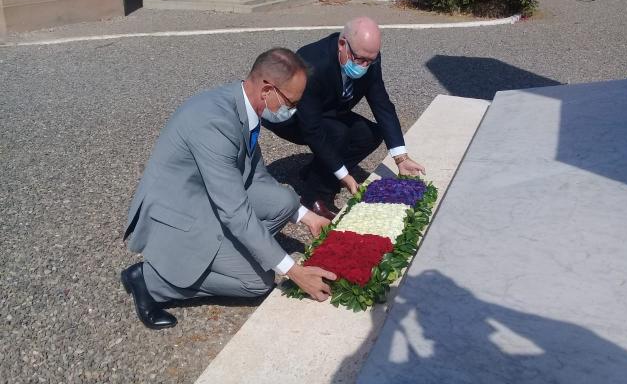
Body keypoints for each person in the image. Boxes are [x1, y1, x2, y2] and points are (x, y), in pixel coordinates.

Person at [121, 48, 336, 330]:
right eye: (290, 103)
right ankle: (150, 280)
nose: (293, 112)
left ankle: (235, 250)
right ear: (267, 89)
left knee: (284, 199)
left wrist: (308, 217)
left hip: (209, 197)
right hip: (180, 214)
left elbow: (256, 176)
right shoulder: (214, 122)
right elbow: (235, 211)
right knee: (257, 281)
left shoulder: (242, 104)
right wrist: (293, 271)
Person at [263, 17, 426, 217]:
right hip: (293, 117)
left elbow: (381, 103)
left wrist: (401, 157)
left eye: (370, 60)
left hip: (329, 110)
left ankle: (318, 172)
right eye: (360, 60)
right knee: (337, 133)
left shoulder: (367, 56)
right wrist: (343, 174)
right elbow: (312, 129)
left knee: (371, 134)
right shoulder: (311, 64)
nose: (365, 65)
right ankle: (314, 197)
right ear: (342, 45)